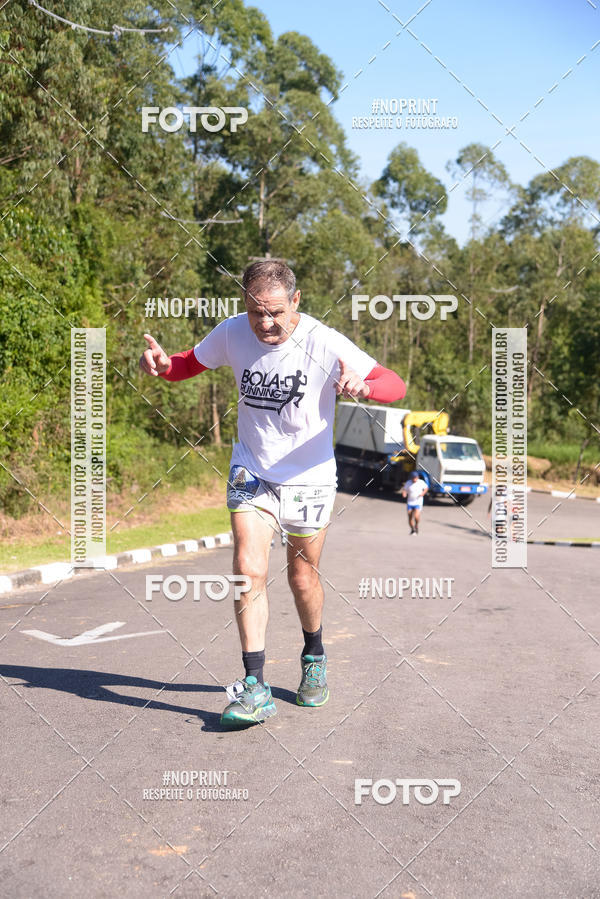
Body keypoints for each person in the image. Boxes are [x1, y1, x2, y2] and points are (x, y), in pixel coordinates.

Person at [140, 260, 406, 728]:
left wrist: (364, 385)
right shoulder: (233, 332)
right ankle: (255, 685)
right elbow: (187, 364)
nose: (266, 324)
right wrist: (164, 368)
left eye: (276, 312)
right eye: (256, 312)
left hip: (310, 478)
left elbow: (394, 382)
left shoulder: (324, 341)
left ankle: (314, 655)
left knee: (302, 579)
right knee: (247, 569)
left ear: (296, 302)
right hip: (253, 471)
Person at [401, 470, 428, 535]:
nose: (415, 479)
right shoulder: (408, 483)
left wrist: (422, 494)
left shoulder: (421, 482)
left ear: (417, 477)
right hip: (410, 502)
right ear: (411, 478)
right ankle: (412, 529)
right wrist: (404, 494)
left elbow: (426, 488)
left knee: (416, 516)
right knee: (410, 516)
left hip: (418, 502)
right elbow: (405, 489)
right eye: (413, 478)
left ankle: (416, 525)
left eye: (416, 477)